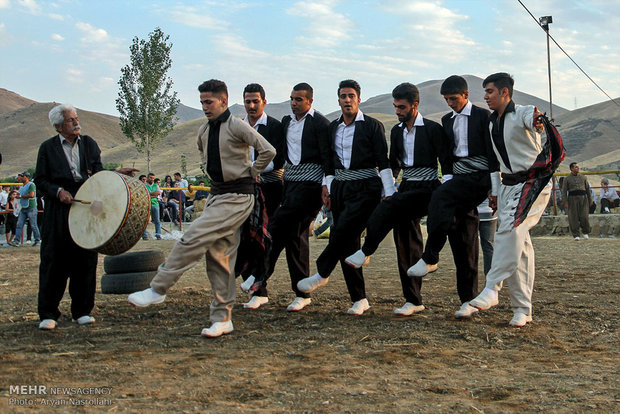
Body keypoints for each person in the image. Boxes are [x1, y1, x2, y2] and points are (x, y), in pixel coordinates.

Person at [128, 79, 276, 338]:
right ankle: (222, 318)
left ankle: (159, 288)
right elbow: (204, 155)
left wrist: (252, 171)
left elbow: (268, 150)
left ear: (224, 101)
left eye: (209, 102)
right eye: (202, 103)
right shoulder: (204, 131)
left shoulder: (238, 126)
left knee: (192, 237)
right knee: (219, 257)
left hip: (239, 196)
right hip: (217, 196)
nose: (205, 107)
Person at [343, 82, 447, 316]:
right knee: (405, 240)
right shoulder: (396, 131)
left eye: (401, 107)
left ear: (414, 105)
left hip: (429, 187)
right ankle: (413, 300)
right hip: (408, 186)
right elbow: (394, 164)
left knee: (392, 206)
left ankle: (367, 250)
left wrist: (446, 191)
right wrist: (388, 188)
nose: (397, 111)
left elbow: (445, 160)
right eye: (395, 107)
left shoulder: (432, 129)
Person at [34, 103, 136, 330]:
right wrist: (58, 192)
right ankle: (48, 313)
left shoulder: (89, 144)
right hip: (58, 209)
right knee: (54, 260)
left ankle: (82, 310)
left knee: (85, 258)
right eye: (71, 120)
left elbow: (97, 174)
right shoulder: (47, 148)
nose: (77, 122)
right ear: (59, 126)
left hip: (86, 205)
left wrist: (115, 174)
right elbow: (40, 180)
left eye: (76, 118)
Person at [296, 80, 391, 315]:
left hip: (366, 185)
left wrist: (389, 192)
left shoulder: (372, 126)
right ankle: (359, 299)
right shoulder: (333, 128)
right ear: (338, 100)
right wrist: (326, 187)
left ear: (358, 98)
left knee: (340, 233)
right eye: (342, 96)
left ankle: (321, 273)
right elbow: (328, 162)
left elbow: (384, 161)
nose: (347, 100)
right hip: (340, 186)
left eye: (351, 96)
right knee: (348, 243)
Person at [468, 72, 550, 327]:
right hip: (508, 187)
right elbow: (495, 162)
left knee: (510, 231)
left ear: (505, 92)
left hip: (533, 184)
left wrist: (538, 122)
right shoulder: (493, 123)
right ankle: (522, 309)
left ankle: (493, 286)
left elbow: (534, 120)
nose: (486, 97)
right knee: (521, 247)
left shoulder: (524, 111)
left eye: (490, 91)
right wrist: (495, 191)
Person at [252, 82, 330, 312]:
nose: (294, 103)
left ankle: (259, 277)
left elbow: (327, 157)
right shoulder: (286, 122)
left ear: (310, 101)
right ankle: (300, 292)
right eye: (292, 99)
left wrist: (327, 186)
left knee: (278, 227)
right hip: (291, 184)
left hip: (313, 185)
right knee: (294, 237)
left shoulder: (321, 124)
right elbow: (281, 156)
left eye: (298, 99)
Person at [236, 83, 286, 309]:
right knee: (244, 238)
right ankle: (257, 290)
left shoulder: (274, 126)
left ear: (264, 102)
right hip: (245, 189)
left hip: (272, 188)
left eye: (256, 101)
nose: (251, 105)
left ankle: (259, 287)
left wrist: (255, 170)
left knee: (265, 238)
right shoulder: (238, 127)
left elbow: (280, 159)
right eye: (248, 101)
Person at [8, 172, 41, 247]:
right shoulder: (22, 186)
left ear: (26, 177)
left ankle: (37, 240)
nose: (21, 178)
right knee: (19, 224)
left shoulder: (31, 185)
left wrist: (21, 196)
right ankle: (16, 241)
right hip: (23, 208)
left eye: (22, 176)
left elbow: (31, 195)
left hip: (31, 207)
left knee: (33, 225)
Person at [561, 162, 592, 240]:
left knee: (584, 216)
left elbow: (588, 189)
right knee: (573, 217)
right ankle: (576, 234)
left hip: (583, 198)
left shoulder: (583, 177)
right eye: (575, 167)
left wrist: (590, 199)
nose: (577, 168)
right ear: (571, 169)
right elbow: (564, 191)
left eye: (578, 167)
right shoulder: (567, 179)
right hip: (572, 199)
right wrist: (565, 202)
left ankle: (585, 232)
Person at [142, 172, 162, 240]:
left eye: (153, 178)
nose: (152, 179)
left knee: (157, 220)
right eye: (150, 178)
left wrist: (150, 194)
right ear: (147, 178)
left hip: (155, 204)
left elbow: (158, 193)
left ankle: (158, 234)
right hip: (147, 204)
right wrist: (153, 195)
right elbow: (145, 194)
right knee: (145, 220)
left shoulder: (156, 186)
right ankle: (144, 235)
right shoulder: (144, 185)